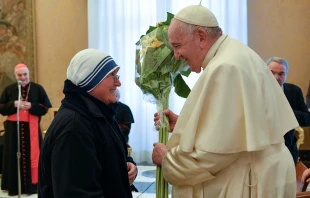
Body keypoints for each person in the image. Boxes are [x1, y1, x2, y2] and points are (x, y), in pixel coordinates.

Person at [152, 5, 299, 197]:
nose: (176, 55)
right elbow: (235, 129)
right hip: (265, 173)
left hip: (253, 181)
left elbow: (211, 156)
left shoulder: (225, 67)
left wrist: (168, 159)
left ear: (202, 37)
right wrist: (186, 125)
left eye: (178, 46)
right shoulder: (233, 54)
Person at [38, 49, 138, 198]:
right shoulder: (74, 128)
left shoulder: (100, 114)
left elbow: (110, 153)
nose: (118, 82)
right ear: (92, 79)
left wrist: (127, 164)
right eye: (112, 76)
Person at [0, 63, 51, 195]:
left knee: (33, 157)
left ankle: (32, 187)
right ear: (15, 76)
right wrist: (14, 104)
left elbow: (45, 107)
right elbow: (2, 108)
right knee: (13, 156)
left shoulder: (37, 88)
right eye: (19, 75)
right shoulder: (9, 89)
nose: (23, 77)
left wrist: (32, 106)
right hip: (13, 131)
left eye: (25, 74)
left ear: (28, 74)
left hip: (31, 129)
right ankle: (14, 187)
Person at [266, 57, 310, 164]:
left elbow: (307, 119)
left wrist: (287, 111)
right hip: (264, 149)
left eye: (281, 74)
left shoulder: (294, 91)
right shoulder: (256, 91)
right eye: (271, 73)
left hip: (288, 149)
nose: (276, 77)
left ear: (286, 75)